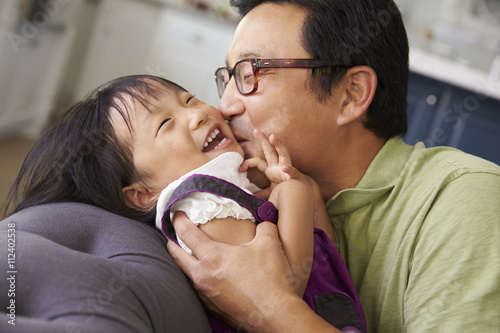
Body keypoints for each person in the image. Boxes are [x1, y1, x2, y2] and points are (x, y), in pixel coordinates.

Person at [166, 0, 500, 332]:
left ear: (351, 94)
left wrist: (268, 308)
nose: (223, 107)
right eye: (228, 77)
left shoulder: (465, 200)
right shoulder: (240, 204)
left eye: (251, 72)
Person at [3, 74, 365, 332]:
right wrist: (294, 193)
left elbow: (328, 256)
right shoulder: (199, 207)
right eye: (165, 124)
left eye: (189, 98)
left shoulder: (232, 194)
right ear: (143, 193)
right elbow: (284, 285)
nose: (198, 113)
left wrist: (293, 191)